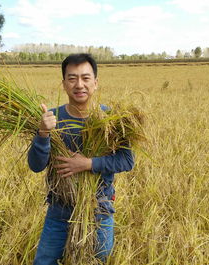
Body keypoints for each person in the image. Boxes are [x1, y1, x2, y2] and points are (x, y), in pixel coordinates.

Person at [27, 53, 135, 264]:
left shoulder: (111, 119)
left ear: (95, 83)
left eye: (85, 78)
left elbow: (127, 160)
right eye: (72, 78)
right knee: (44, 261)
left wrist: (88, 164)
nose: (79, 84)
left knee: (96, 260)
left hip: (99, 209)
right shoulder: (50, 118)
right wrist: (42, 134)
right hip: (59, 210)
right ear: (64, 84)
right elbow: (36, 166)